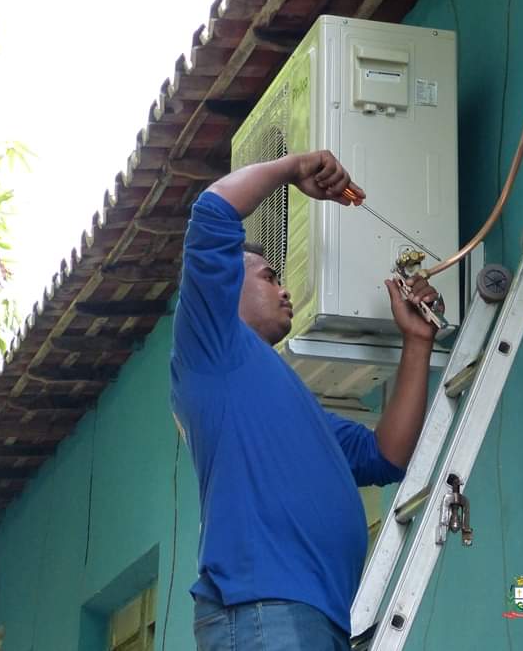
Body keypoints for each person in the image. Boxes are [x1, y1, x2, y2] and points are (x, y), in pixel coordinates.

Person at [170, 149, 442, 651]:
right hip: (263, 612)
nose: (286, 289)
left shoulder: (288, 399)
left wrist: (418, 340)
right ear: (223, 286)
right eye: (270, 277)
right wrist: (293, 169)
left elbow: (388, 455)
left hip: (319, 619)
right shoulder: (212, 347)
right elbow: (212, 211)